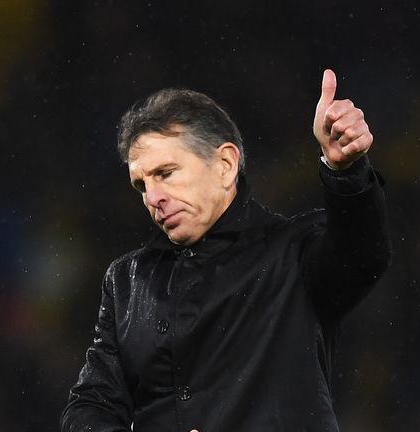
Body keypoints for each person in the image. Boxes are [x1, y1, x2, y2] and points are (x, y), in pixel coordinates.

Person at [60, 69, 391, 432]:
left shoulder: (294, 253)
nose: (153, 198)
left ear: (225, 165)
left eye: (166, 173)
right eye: (141, 184)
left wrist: (346, 171)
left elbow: (364, 253)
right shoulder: (128, 281)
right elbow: (90, 407)